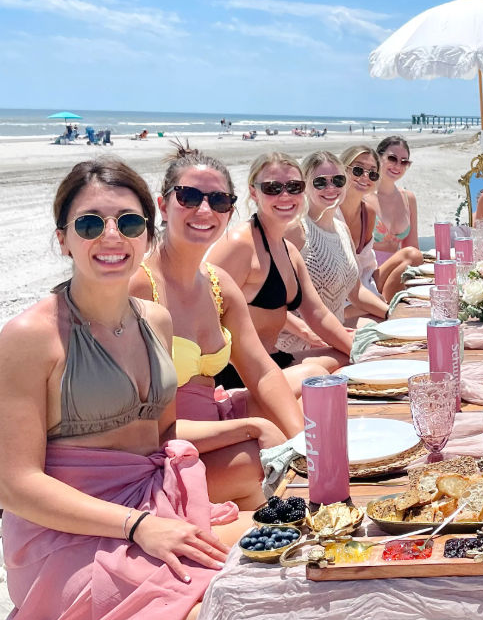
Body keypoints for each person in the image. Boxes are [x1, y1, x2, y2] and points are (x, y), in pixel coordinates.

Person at [0, 158, 239, 620]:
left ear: (147, 233)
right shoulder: (30, 337)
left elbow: (162, 436)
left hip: (155, 505)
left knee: (279, 561)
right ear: (63, 239)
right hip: (67, 532)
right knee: (213, 617)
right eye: (89, 223)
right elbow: (16, 485)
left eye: (128, 222)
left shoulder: (156, 321)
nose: (111, 236)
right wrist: (137, 525)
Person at [129, 144, 306, 510]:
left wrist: (304, 440)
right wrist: (254, 430)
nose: (204, 210)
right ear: (163, 206)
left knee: (316, 409)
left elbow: (260, 370)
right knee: (256, 462)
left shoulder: (218, 284)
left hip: (211, 431)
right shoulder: (140, 287)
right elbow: (144, 429)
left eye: (219, 200)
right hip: (161, 453)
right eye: (189, 197)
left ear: (230, 210)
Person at [207, 152, 352, 378]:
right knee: (317, 373)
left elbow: (318, 315)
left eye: (294, 187)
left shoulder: (289, 251)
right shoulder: (239, 245)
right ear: (254, 192)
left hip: (274, 360)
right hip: (237, 373)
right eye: (273, 188)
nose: (285, 196)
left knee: (345, 358)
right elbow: (199, 314)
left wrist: (359, 352)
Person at [281, 151, 385, 342]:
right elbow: (268, 301)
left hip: (336, 335)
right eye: (320, 182)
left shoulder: (342, 229)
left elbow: (355, 292)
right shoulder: (296, 230)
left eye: (337, 180)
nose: (331, 188)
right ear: (304, 186)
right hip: (301, 343)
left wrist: (391, 314)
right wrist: (306, 332)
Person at [338, 145, 421, 304]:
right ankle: (389, 309)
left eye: (404, 161)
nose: (365, 176)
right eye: (357, 170)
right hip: (342, 289)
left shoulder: (367, 211)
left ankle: (389, 305)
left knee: (414, 255)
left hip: (371, 276)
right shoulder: (332, 210)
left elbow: (366, 266)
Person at [372, 136, 420, 266]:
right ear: (378, 158)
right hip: (368, 271)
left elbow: (412, 247)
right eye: (392, 158)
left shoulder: (409, 199)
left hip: (397, 271)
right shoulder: (364, 197)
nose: (398, 165)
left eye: (404, 162)